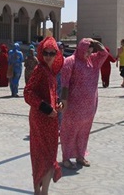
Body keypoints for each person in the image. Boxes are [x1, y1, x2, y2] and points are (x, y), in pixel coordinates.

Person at [59, 38, 108, 169]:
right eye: (86, 51)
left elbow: (104, 54)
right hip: (74, 105)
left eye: (90, 51)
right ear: (80, 49)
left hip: (90, 106)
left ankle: (80, 156)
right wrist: (63, 101)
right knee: (70, 131)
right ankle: (66, 158)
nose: (88, 54)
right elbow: (64, 83)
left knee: (84, 131)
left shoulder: (93, 61)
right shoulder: (70, 61)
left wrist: (97, 44)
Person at [24, 37, 64, 194]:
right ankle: (37, 190)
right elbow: (28, 93)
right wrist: (46, 108)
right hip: (40, 119)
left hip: (51, 120)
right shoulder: (40, 70)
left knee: (49, 155)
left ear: (56, 54)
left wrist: (58, 102)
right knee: (41, 154)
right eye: (45, 53)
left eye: (52, 53)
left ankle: (44, 191)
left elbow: (51, 93)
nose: (48, 56)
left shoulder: (51, 71)